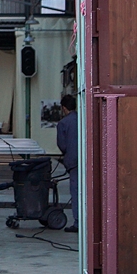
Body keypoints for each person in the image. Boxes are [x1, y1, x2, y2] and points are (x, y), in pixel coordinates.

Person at [56, 94, 78, 232]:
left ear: (64, 108)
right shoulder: (82, 119)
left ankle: (78, 222)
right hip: (87, 160)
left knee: (76, 192)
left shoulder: (63, 123)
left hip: (73, 162)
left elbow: (62, 145)